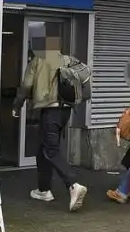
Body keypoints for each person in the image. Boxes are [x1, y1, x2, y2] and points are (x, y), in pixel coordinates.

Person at [12, 23, 88, 211]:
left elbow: (26, 86)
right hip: (66, 111)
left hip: (50, 110)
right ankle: (44, 190)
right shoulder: (67, 59)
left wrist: (17, 105)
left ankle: (73, 184)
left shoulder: (38, 61)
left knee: (51, 150)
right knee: (43, 149)